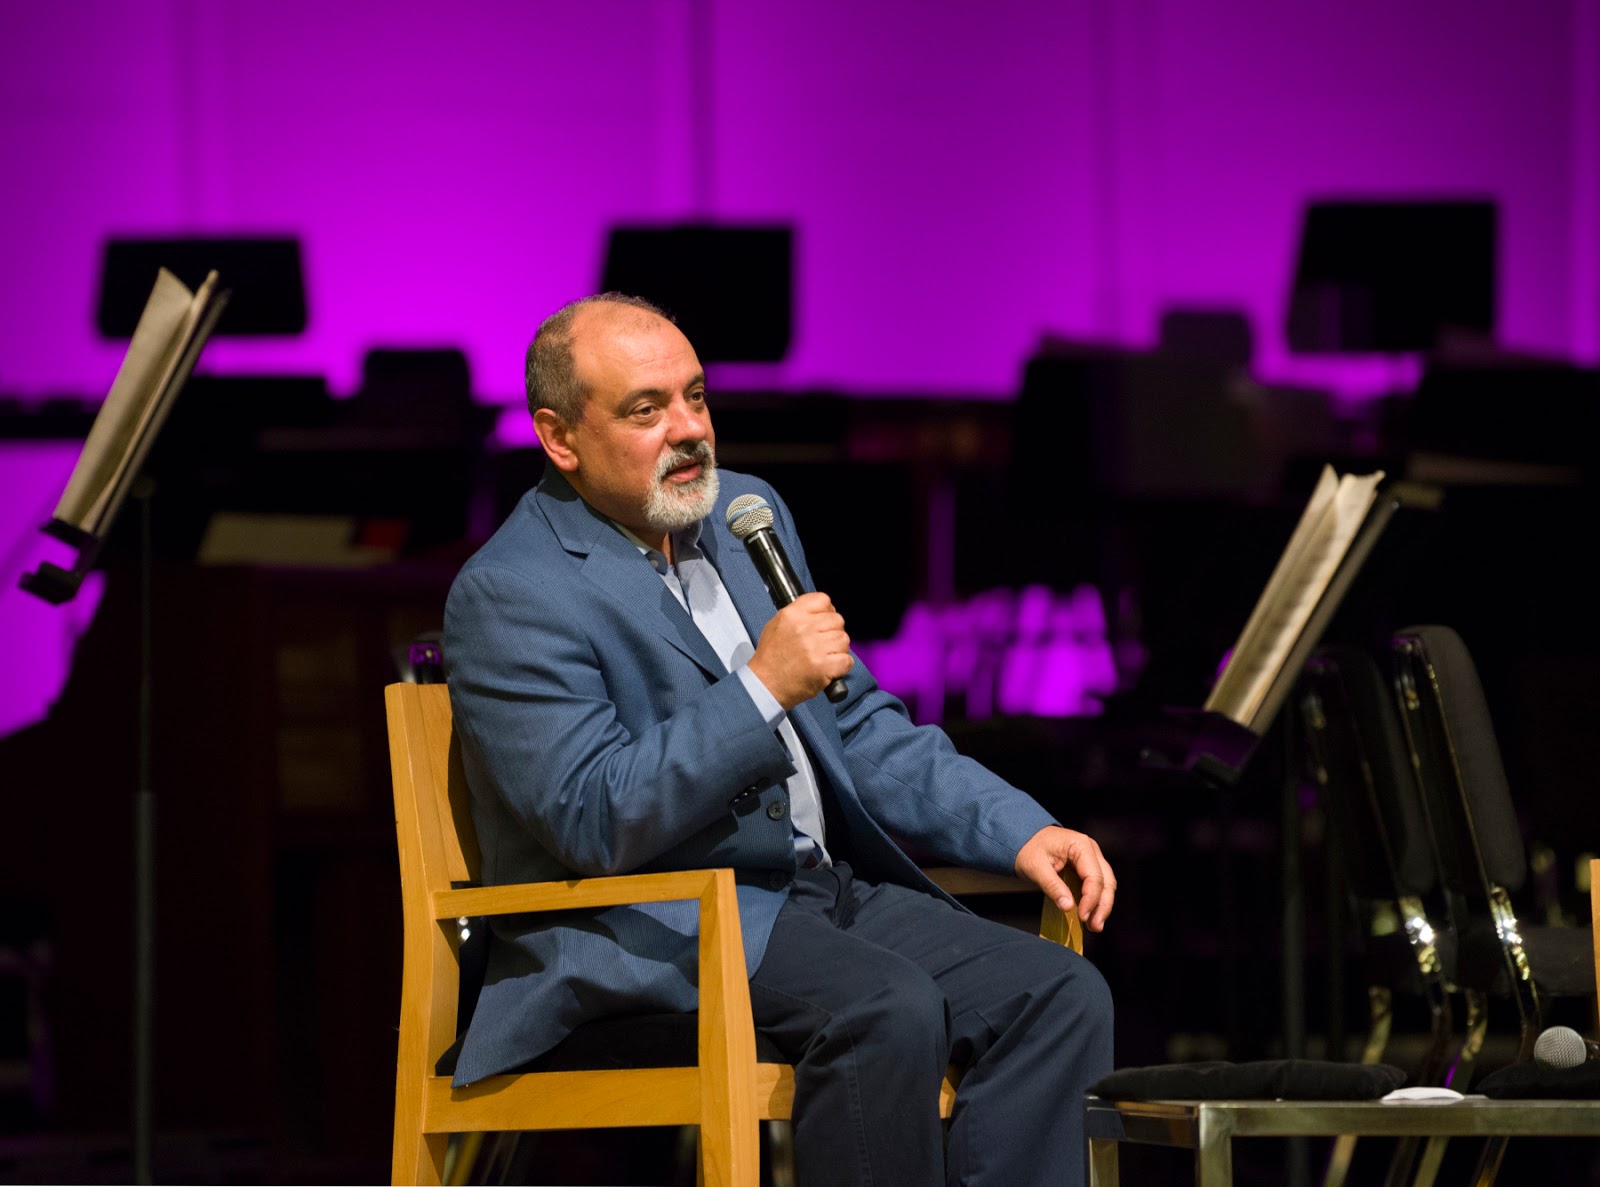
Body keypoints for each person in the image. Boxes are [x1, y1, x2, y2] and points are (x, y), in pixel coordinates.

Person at [443, 293, 1116, 1187]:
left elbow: (854, 722)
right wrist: (761, 686)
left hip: (812, 895)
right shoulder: (512, 591)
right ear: (560, 438)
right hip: (650, 922)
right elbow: (592, 817)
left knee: (1059, 995)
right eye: (646, 409)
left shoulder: (745, 515)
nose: (689, 429)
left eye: (695, 396)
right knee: (887, 1009)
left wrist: (1019, 828)